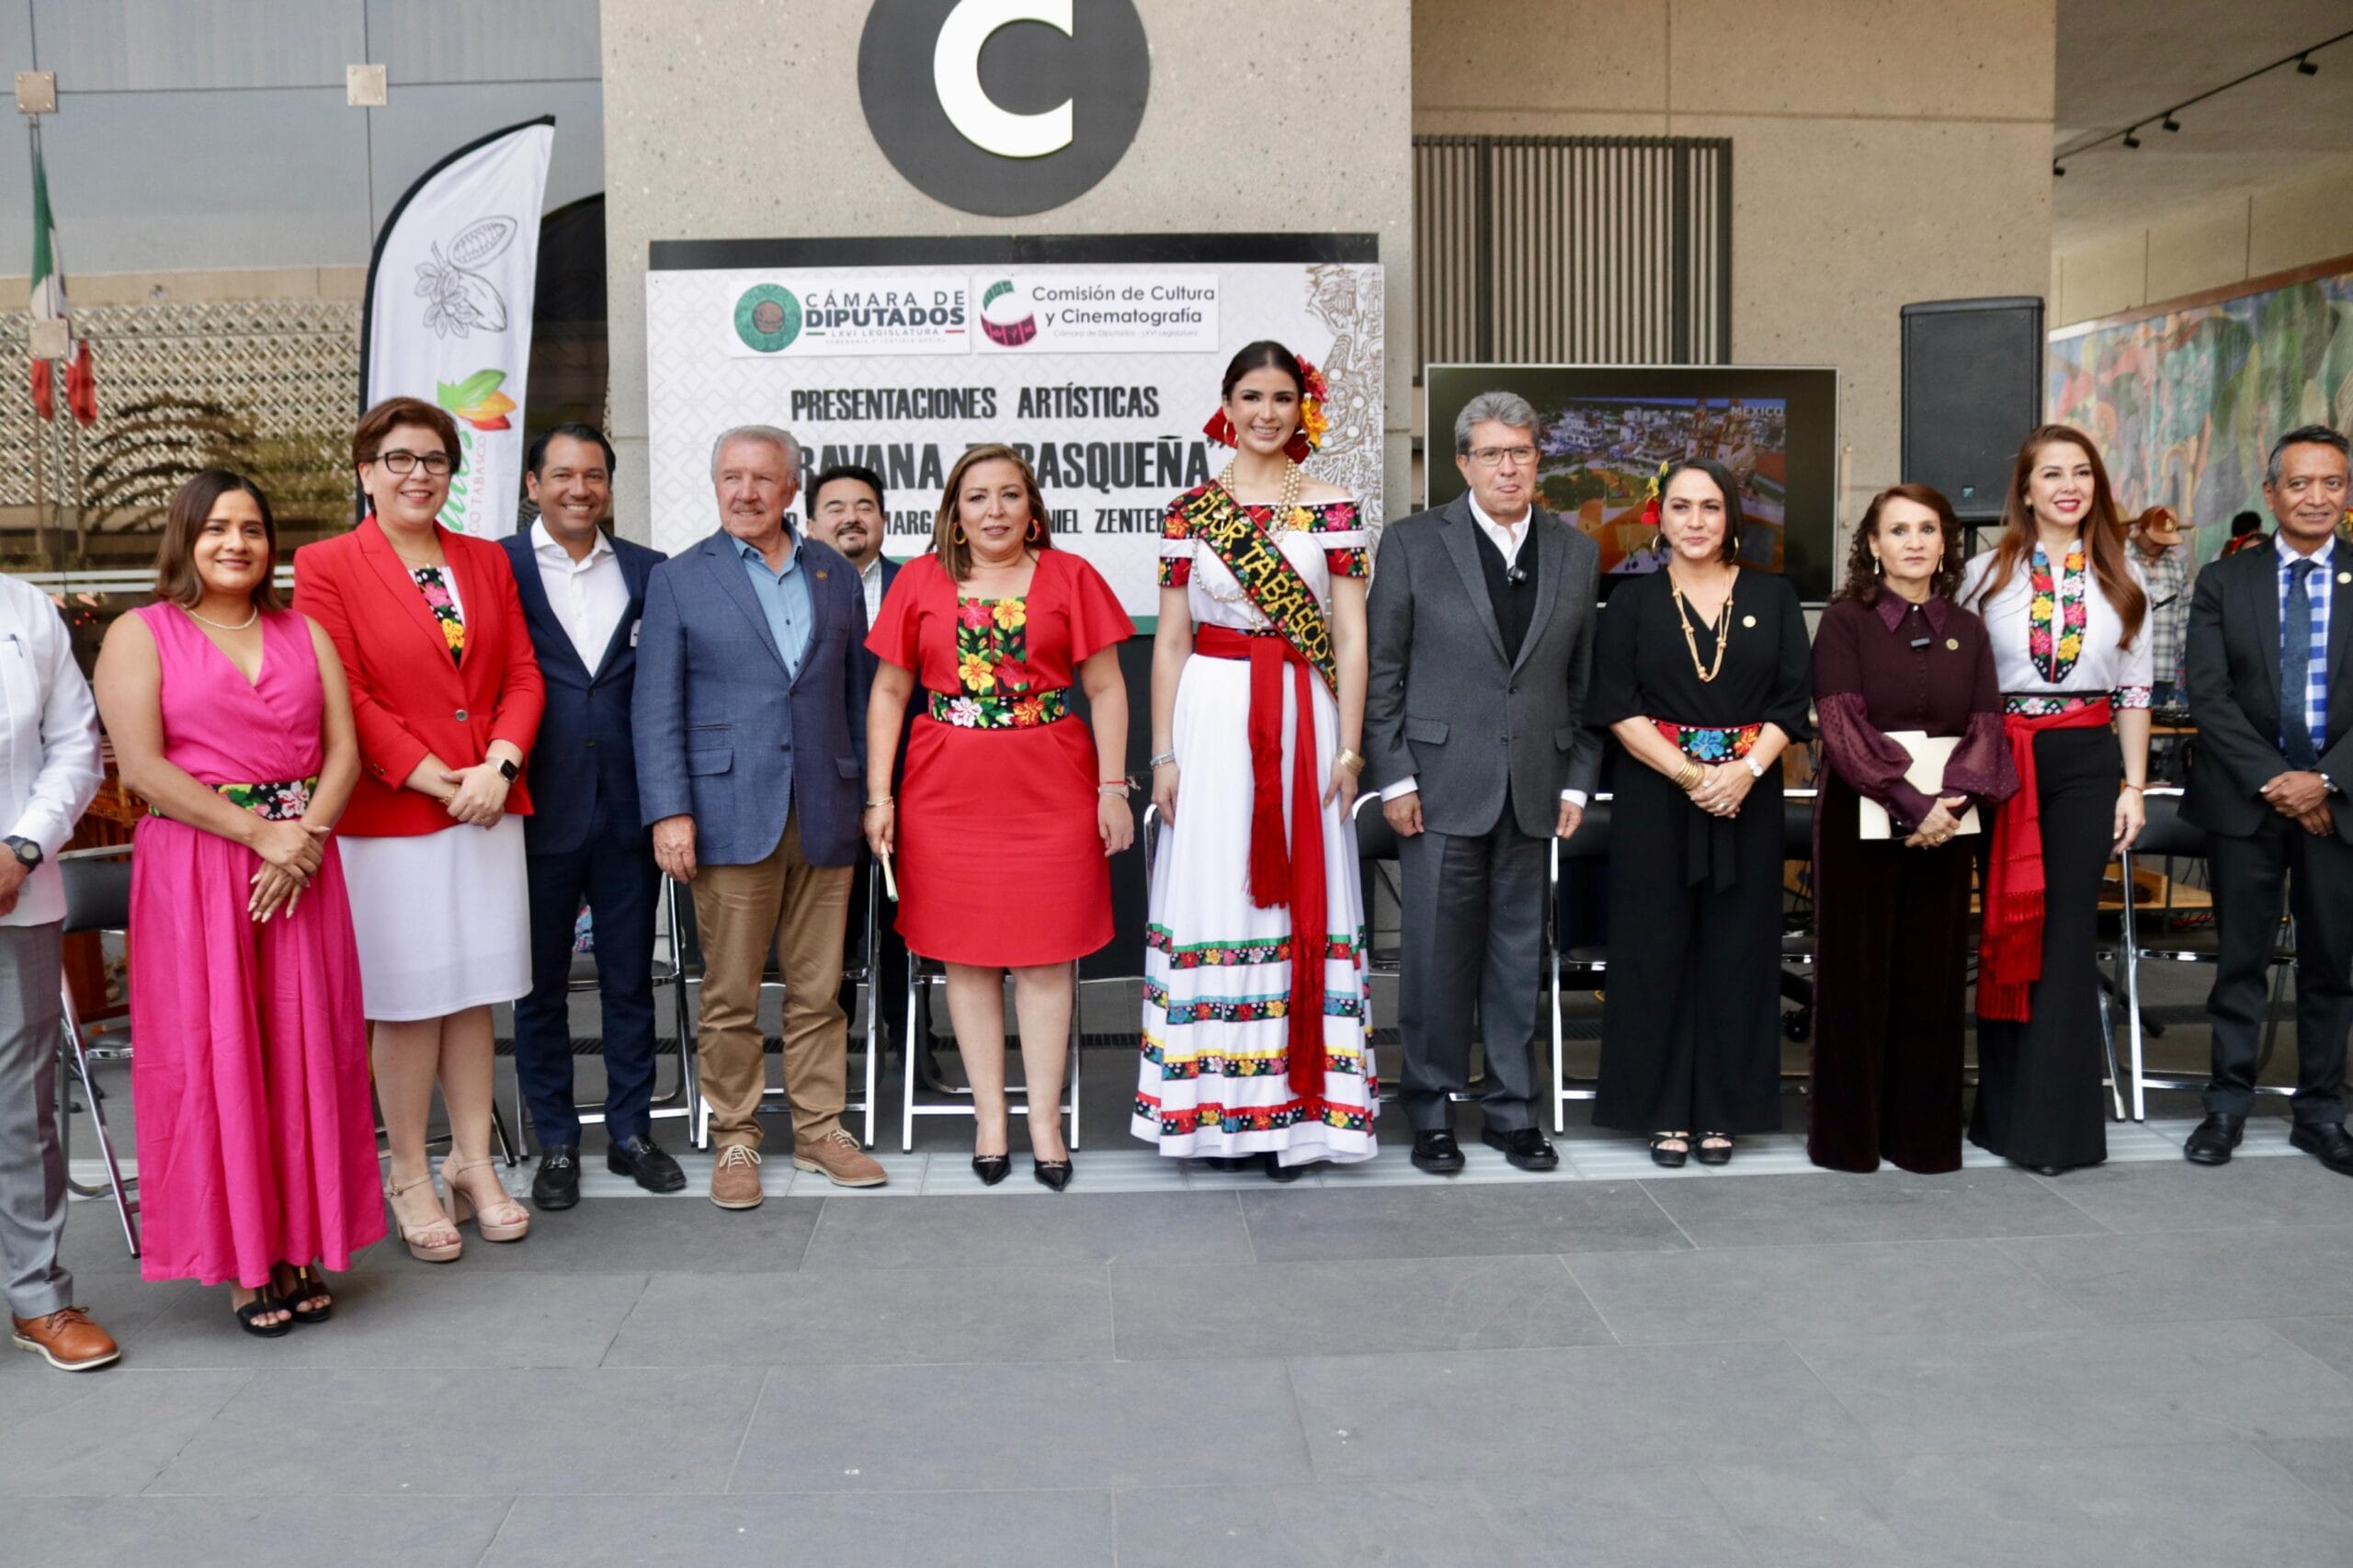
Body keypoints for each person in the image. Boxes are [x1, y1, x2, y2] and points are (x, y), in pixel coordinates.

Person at [94, 471, 381, 1335]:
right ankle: (241, 1260)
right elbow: (143, 768)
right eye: (217, 528)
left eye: (252, 529)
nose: (236, 544)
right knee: (217, 1055)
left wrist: (304, 840)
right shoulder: (138, 634)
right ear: (184, 538)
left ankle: (297, 1242)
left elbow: (345, 754)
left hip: (302, 868)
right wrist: (262, 838)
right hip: (200, 867)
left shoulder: (306, 633)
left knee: (305, 1053)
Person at [294, 395, 545, 1259]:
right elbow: (345, 694)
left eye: (434, 460)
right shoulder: (326, 563)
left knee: (473, 993)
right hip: (394, 814)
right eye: (398, 459)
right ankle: (408, 1172)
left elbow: (520, 671)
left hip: (485, 805)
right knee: (407, 1003)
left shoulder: (484, 560)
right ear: (366, 473)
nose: (418, 475)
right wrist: (442, 781)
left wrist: (499, 767)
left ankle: (473, 1163)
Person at [1142, 344, 1376, 1178]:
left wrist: (1351, 747)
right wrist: (1162, 752)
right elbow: (1170, 638)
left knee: (1296, 907)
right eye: (1251, 396)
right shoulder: (1188, 511)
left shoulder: (1333, 506)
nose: (1267, 412)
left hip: (1305, 716)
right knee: (1215, 893)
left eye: (1283, 397)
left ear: (1301, 407)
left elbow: (1350, 634)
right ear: (1227, 405)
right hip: (1210, 714)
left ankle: (1298, 1114)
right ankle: (1216, 1114)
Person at [870, 444, 1131, 1189]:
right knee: (968, 957)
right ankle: (991, 1117)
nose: (994, 511)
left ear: (1032, 506)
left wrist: (1112, 787)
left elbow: (1108, 688)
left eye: (1009, 496)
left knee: (1048, 958)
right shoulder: (918, 581)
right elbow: (890, 693)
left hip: (1050, 782)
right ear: (953, 512)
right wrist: (880, 798)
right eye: (977, 497)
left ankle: (1044, 1119)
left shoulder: (1071, 576)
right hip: (945, 789)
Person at [636, 425, 883, 1201]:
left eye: (762, 480)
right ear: (715, 486)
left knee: (820, 988)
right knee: (731, 994)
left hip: (826, 807)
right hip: (726, 810)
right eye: (730, 478)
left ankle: (818, 1131)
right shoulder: (680, 578)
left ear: (790, 491)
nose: (744, 492)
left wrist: (872, 795)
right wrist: (670, 812)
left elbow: (855, 696)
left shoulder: (833, 574)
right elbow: (656, 709)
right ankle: (736, 1139)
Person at [1365, 388, 1600, 1175]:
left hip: (1535, 784)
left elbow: (1582, 681)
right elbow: (1383, 672)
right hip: (1436, 785)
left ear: (1540, 461)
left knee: (1514, 960)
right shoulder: (1410, 543)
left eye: (1522, 452)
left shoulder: (1576, 549)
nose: (1509, 466)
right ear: (1462, 462)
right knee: (1435, 963)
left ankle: (1510, 1112)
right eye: (1492, 453)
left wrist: (1575, 783)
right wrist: (1393, 775)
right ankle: (1429, 1112)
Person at [1588, 459, 1811, 1166]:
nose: (1695, 522)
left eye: (1710, 508)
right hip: (1657, 792)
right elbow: (1616, 706)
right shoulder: (1630, 602)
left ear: (1731, 517)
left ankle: (1723, 1110)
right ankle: (1662, 1113)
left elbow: (1790, 704)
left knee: (1739, 952)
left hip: (1749, 793)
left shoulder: (1774, 598)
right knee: (1656, 952)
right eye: (1680, 507)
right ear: (1660, 516)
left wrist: (1743, 772)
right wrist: (1691, 773)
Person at [1808, 484, 2016, 1175]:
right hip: (1861, 820)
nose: (1915, 542)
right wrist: (1909, 801)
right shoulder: (1845, 622)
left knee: (1931, 981)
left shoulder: (1971, 626)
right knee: (1856, 979)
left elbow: (1988, 726)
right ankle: (1850, 1140)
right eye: (1898, 530)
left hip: (1948, 827)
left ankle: (1924, 1138)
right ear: (1873, 545)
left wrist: (1948, 805)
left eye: (1928, 529)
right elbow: (1840, 722)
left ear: (1945, 544)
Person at [1961, 424, 2150, 1176]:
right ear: (2027, 490)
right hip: (2000, 757)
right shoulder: (1981, 575)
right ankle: (2000, 1118)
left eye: (2082, 473)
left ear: (2095, 487)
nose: (2068, 486)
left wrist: (2133, 784)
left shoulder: (2125, 575)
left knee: (2066, 936)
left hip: (2085, 761)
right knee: (2006, 930)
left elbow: (2134, 691)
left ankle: (2055, 1131)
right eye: (2051, 474)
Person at [500, 425, 680, 1210]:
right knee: (536, 988)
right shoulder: (494, 569)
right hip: (532, 809)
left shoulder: (651, 571)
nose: (581, 489)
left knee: (627, 980)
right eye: (563, 475)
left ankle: (632, 1129)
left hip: (628, 808)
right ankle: (557, 1142)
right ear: (533, 484)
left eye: (596, 476)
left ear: (610, 485)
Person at [2182, 425, 2353, 1176]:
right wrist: (2280, 781)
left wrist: (2327, 779)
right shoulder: (2226, 581)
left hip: (2340, 803)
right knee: (2239, 962)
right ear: (2272, 494)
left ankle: (2321, 1112)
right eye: (2301, 483)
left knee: (2331, 964)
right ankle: (2226, 1107)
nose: (2317, 497)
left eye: (2334, 483)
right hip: (2246, 803)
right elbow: (2208, 695)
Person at [0, 571, 109, 1369]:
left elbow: (75, 744)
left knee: (20, 1107)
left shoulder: (24, 607)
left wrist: (23, 847)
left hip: (13, 892)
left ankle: (38, 1295)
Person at [805, 462, 924, 1089]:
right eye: (835, 507)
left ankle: (911, 1054)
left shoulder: (919, 584)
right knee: (831, 937)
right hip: (823, 789)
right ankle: (831, 1066)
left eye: (865, 506)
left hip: (912, 788)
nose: (851, 517)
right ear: (810, 523)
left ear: (884, 519)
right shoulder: (793, 585)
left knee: (911, 928)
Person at [2129, 505, 2192, 708]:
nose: (2160, 545)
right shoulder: (2120, 560)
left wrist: (2183, 670)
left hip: (2163, 670)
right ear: (2139, 529)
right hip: (2126, 671)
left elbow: (2185, 621)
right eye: (2156, 539)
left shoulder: (2177, 565)